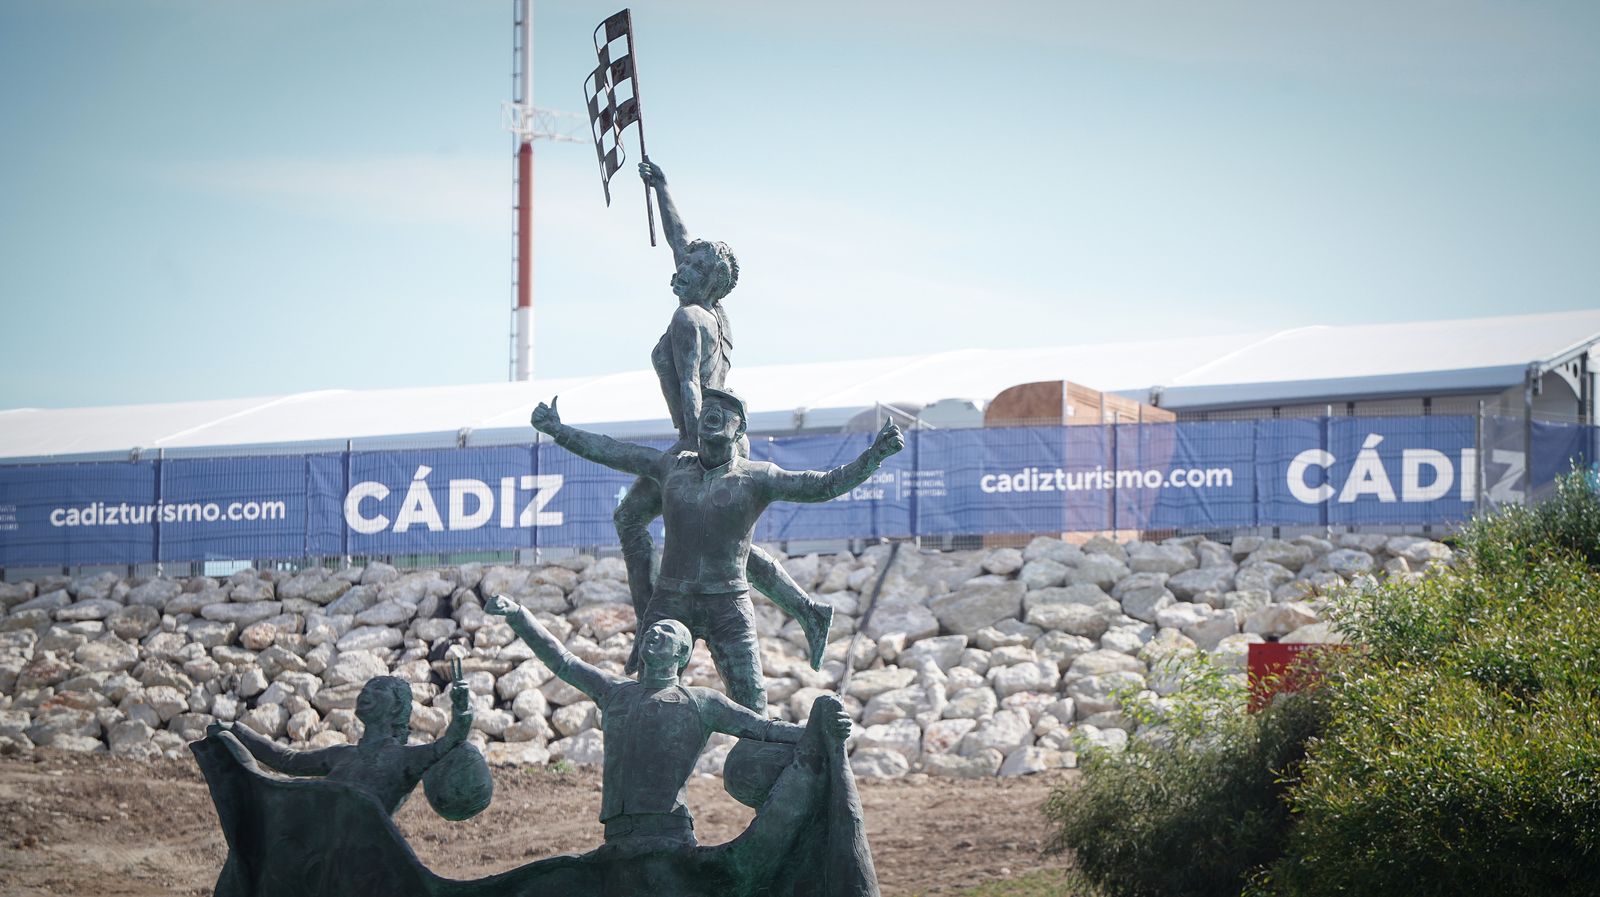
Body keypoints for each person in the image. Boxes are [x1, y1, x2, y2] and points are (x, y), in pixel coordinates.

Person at [532, 387, 904, 711]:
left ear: (739, 428)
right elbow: (614, 451)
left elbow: (823, 485)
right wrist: (558, 430)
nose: (712, 411)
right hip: (670, 600)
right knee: (649, 697)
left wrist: (874, 457)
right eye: (708, 406)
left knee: (752, 703)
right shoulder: (671, 466)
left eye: (725, 410)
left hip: (727, 605)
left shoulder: (758, 477)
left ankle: (762, 775)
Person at [610, 159, 834, 673]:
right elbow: (679, 237)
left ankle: (649, 626)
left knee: (630, 519)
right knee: (726, 548)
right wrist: (662, 188)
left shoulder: (688, 318)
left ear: (707, 282)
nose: (679, 269)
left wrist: (691, 451)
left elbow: (690, 383)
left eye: (690, 269)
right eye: (683, 264)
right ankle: (808, 608)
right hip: (727, 439)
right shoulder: (715, 313)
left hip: (706, 439)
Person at [484, 594, 852, 851]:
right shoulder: (615, 692)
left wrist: (818, 730)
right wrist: (518, 614)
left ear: (682, 653)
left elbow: (763, 729)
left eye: (667, 632)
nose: (653, 633)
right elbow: (561, 661)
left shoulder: (701, 701)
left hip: (670, 834)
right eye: (651, 630)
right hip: (616, 835)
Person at [207, 671, 474, 817]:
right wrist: (237, 731)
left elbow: (449, 742)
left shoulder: (405, 758)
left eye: (378, 689)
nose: (366, 693)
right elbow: (286, 760)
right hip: (322, 849)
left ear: (396, 710)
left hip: (365, 860)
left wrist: (461, 709)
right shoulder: (340, 755)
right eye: (366, 688)